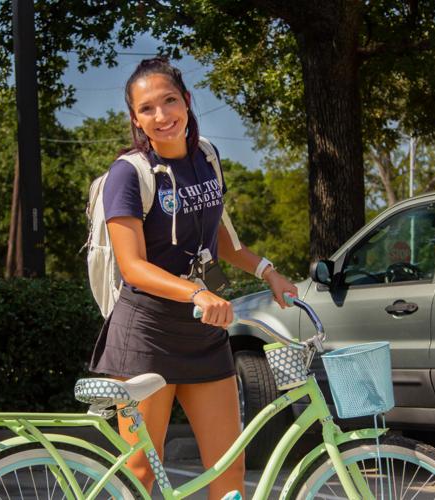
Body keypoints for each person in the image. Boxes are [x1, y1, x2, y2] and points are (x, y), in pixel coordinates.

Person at [89, 57, 298, 498]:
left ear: (186, 100)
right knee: (142, 470)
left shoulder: (206, 157)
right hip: (146, 335)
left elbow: (217, 235)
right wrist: (197, 292)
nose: (162, 116)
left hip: (203, 332)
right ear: (135, 119)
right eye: (147, 109)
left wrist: (268, 272)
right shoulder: (128, 174)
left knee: (228, 466)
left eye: (169, 101)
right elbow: (133, 266)